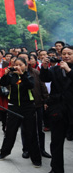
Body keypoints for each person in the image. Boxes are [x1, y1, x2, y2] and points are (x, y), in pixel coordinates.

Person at [0, 58, 42, 168]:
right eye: (15, 65)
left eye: (20, 65)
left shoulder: (29, 75)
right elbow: (3, 83)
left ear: (25, 65)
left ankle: (36, 158)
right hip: (13, 106)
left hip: (28, 107)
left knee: (31, 132)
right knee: (10, 131)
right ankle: (4, 152)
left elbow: (30, 85)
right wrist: (6, 74)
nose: (17, 67)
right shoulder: (12, 76)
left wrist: (22, 74)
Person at [40, 45, 73, 173]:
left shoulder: (67, 69)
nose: (66, 56)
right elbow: (44, 78)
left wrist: (69, 71)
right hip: (58, 109)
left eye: (69, 54)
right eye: (64, 54)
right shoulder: (55, 69)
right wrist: (44, 67)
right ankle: (56, 169)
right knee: (56, 141)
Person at [21, 54, 51, 159]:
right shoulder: (16, 74)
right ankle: (26, 149)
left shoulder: (36, 73)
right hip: (24, 106)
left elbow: (43, 87)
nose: (23, 61)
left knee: (39, 129)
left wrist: (46, 100)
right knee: (25, 129)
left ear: (29, 61)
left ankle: (41, 149)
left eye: (25, 59)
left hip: (37, 104)